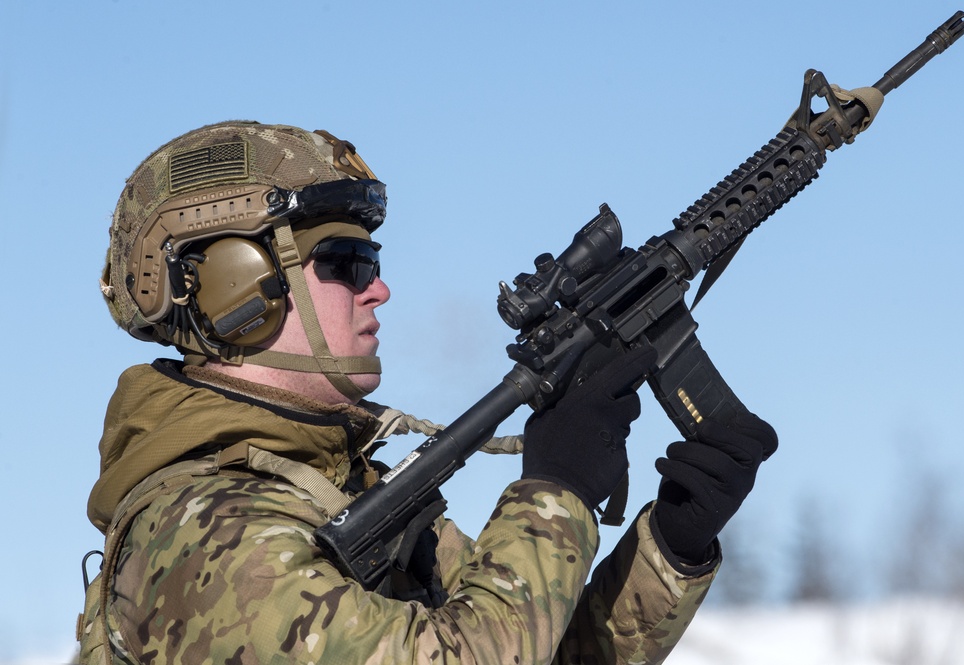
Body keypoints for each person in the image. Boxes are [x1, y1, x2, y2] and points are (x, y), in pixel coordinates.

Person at [76, 121, 778, 664]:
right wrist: (555, 491)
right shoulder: (202, 539)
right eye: (347, 262)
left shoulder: (340, 492)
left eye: (372, 262)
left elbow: (534, 646)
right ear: (239, 286)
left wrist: (671, 546)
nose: (378, 288)